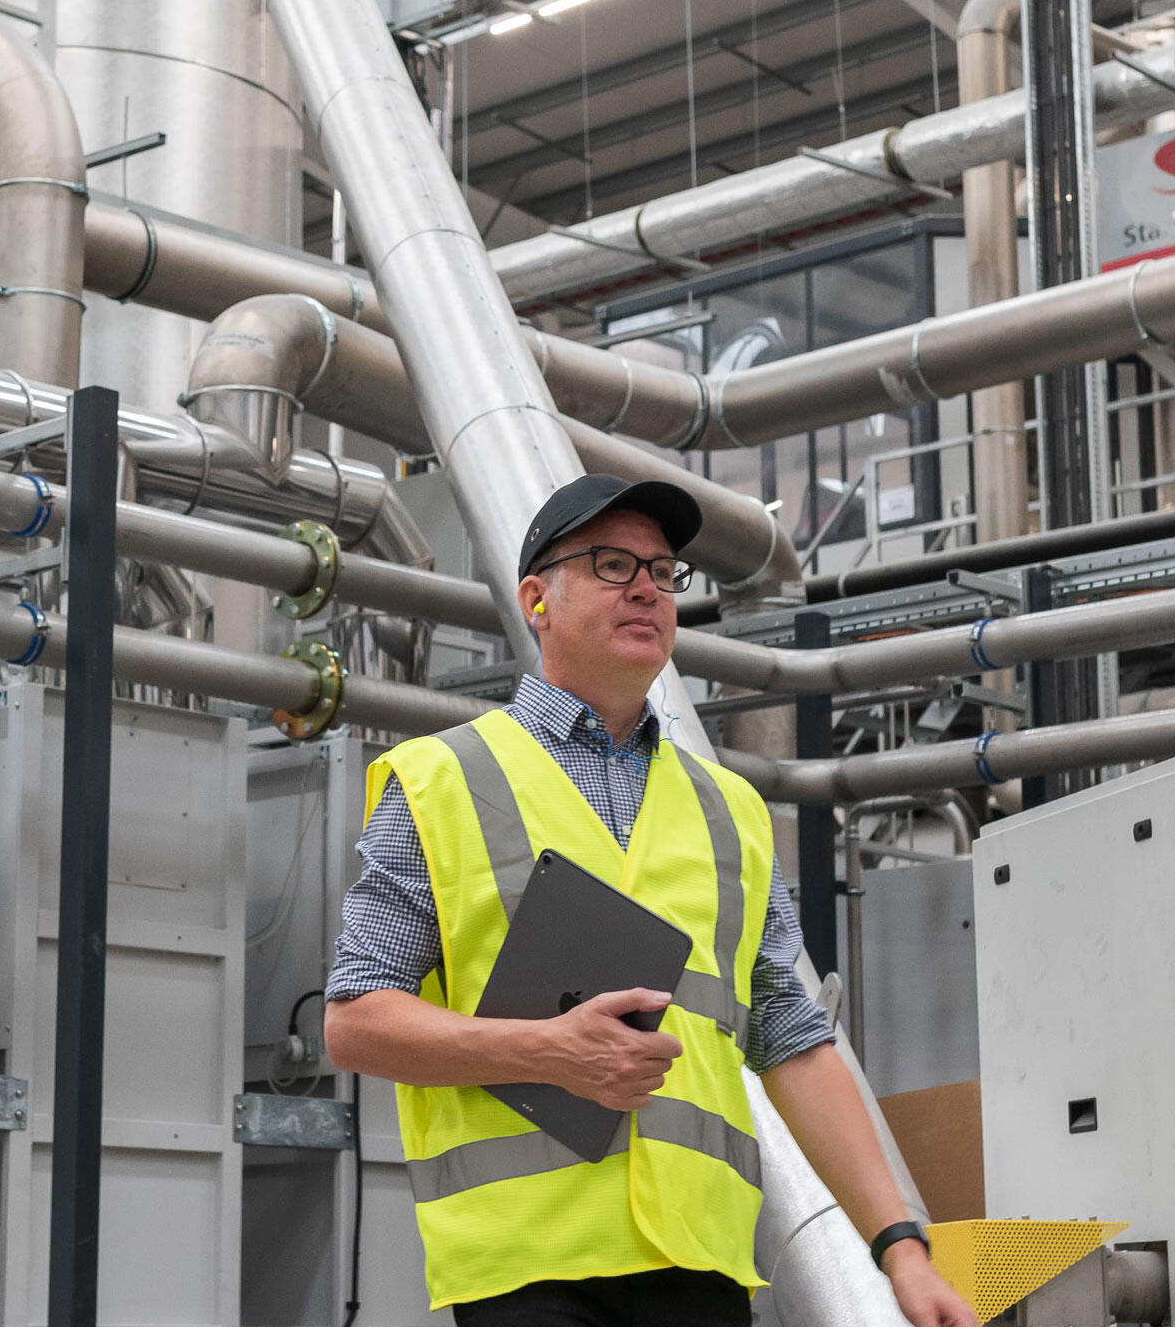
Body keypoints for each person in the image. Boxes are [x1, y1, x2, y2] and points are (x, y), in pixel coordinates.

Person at [323, 473, 979, 1327]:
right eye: (609, 564)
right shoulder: (440, 780)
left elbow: (794, 1040)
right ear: (536, 599)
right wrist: (549, 1052)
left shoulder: (731, 813)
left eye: (664, 571)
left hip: (701, 1266)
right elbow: (355, 1020)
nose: (645, 586)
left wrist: (903, 1248)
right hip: (528, 1268)